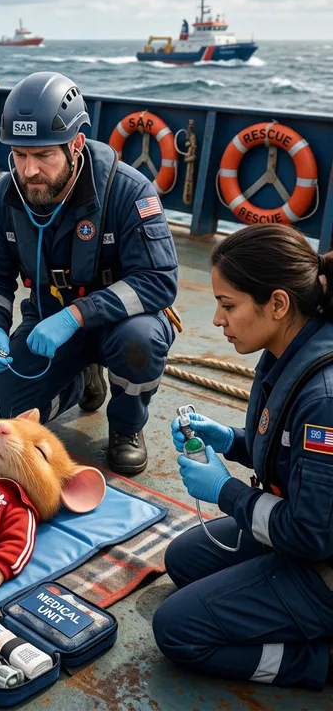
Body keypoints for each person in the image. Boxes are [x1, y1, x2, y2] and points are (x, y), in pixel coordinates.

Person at [0, 72, 178, 474]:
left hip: (121, 325)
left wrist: (77, 315)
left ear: (76, 144)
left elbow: (158, 280)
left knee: (141, 342)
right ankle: (78, 382)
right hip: (48, 322)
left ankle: (127, 427)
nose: (29, 170)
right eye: (19, 155)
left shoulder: (128, 191)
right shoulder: (3, 198)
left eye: (43, 155)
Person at [154, 225, 333, 691]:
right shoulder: (287, 351)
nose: (217, 319)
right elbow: (288, 453)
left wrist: (227, 491)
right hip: (307, 530)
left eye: (228, 305)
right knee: (184, 560)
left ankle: (321, 662)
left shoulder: (325, 400)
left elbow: (310, 536)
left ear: (277, 303)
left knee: (178, 631)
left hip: (322, 563)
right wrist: (230, 440)